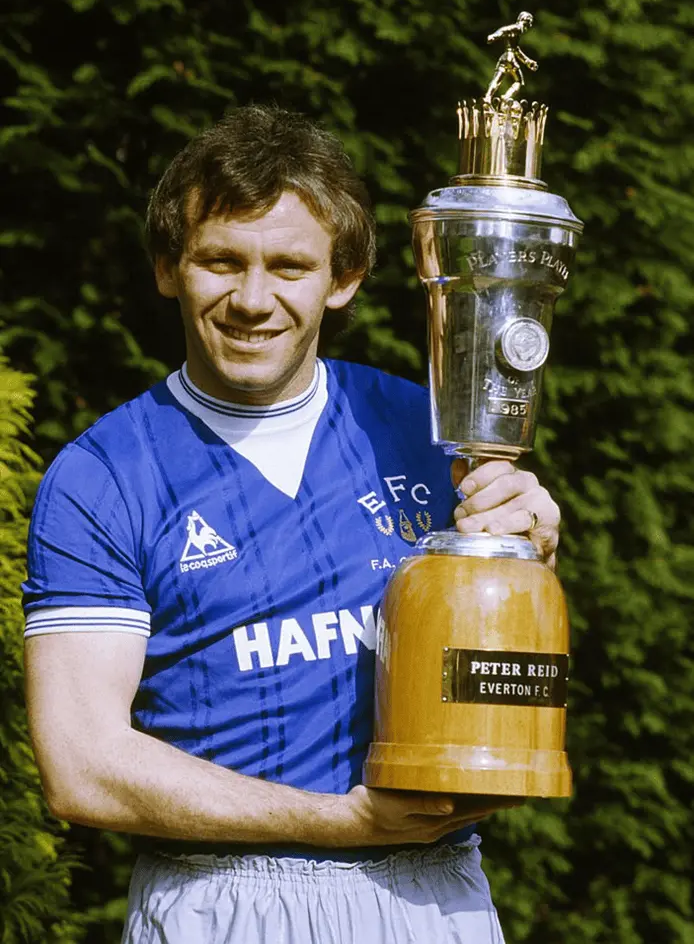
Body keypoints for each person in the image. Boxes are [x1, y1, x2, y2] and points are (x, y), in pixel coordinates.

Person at [23, 105, 561, 943]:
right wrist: (339, 822)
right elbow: (83, 766)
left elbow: (493, 688)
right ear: (168, 268)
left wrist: (522, 562)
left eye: (288, 266)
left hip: (432, 895)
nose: (252, 299)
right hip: (219, 899)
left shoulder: (428, 433)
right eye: (220, 261)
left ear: (342, 279)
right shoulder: (103, 476)